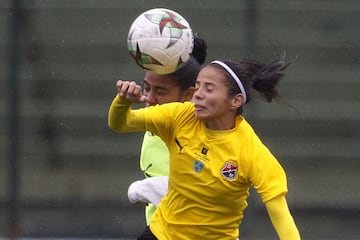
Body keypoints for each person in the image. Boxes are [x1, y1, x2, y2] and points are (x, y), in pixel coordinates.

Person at [108, 55, 301, 239]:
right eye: (198, 86)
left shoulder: (249, 149)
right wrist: (123, 101)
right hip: (162, 234)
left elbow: (279, 211)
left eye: (209, 89)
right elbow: (121, 123)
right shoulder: (180, 116)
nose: (198, 95)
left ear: (236, 101)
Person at [126, 36, 208, 225]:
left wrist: (144, 188)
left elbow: (197, 188)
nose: (150, 98)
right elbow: (118, 123)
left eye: (160, 92)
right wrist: (123, 101)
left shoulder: (198, 126)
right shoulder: (154, 118)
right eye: (147, 88)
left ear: (189, 95)